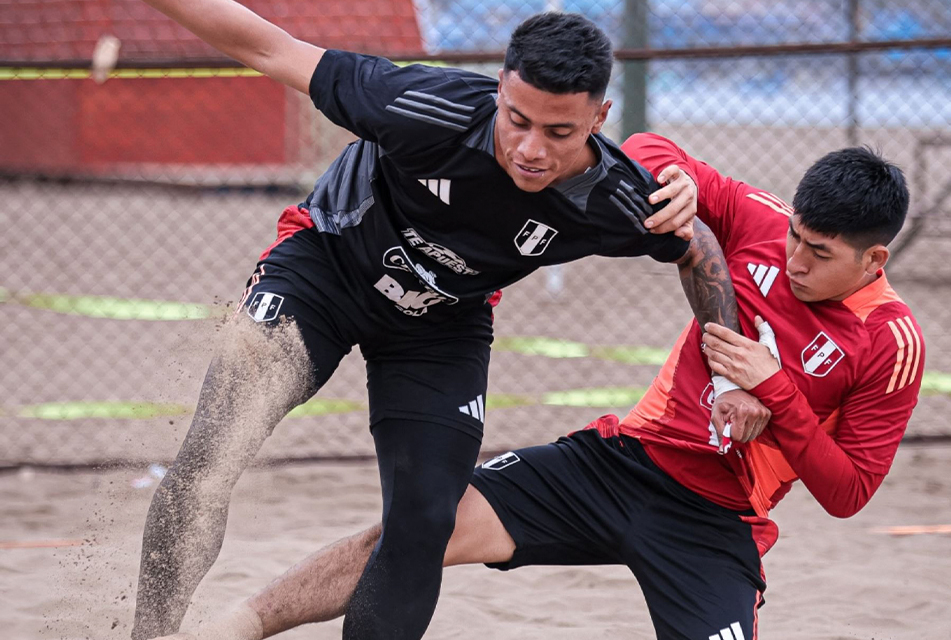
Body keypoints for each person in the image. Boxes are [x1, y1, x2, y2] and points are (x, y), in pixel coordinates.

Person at [150, 133, 923, 640]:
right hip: (619, 463)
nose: (794, 259)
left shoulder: (890, 343)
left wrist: (776, 395)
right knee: (419, 528)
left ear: (874, 261)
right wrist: (676, 180)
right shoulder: (758, 219)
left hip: (717, 523)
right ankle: (237, 627)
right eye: (793, 238)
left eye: (818, 253)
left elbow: (847, 491)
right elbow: (645, 150)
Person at [130, 4, 741, 639]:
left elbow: (697, 250)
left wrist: (730, 379)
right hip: (326, 268)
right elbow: (269, 48)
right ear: (500, 88)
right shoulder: (424, 104)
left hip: (440, 325)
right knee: (211, 457)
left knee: (426, 520)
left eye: (559, 133)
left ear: (599, 119)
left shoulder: (614, 197)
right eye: (518, 120)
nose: (532, 150)